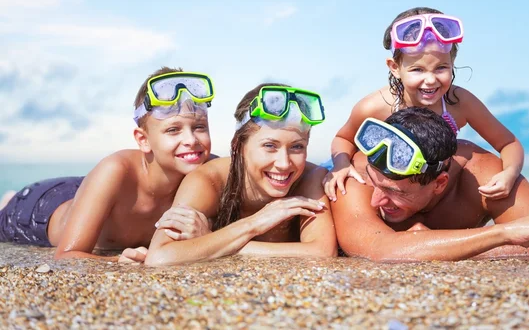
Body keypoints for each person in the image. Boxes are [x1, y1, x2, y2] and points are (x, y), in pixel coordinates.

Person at [0, 67, 216, 262]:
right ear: (143, 140)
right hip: (39, 209)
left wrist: (207, 236)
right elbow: (66, 256)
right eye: (173, 130)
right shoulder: (116, 169)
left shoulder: (213, 172)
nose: (191, 140)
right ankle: (9, 200)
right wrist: (117, 262)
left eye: (199, 127)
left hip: (90, 190)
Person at [323, 7, 524, 202]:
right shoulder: (376, 106)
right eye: (417, 70)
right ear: (395, 68)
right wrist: (340, 166)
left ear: (452, 63)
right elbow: (343, 138)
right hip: (381, 186)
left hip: (420, 189)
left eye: (441, 68)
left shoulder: (460, 103)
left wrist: (510, 172)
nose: (430, 80)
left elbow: (508, 143)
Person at [331, 107, 529, 261]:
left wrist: (434, 247)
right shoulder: (355, 174)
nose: (375, 201)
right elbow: (379, 250)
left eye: (393, 192)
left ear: (439, 183)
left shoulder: (483, 175)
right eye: (376, 184)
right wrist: (502, 234)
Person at [145, 83, 337, 266]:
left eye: (297, 147)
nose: (284, 163)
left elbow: (323, 252)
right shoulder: (208, 181)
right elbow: (160, 257)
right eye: (269, 146)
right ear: (238, 146)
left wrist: (212, 240)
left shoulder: (311, 178)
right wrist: (255, 223)